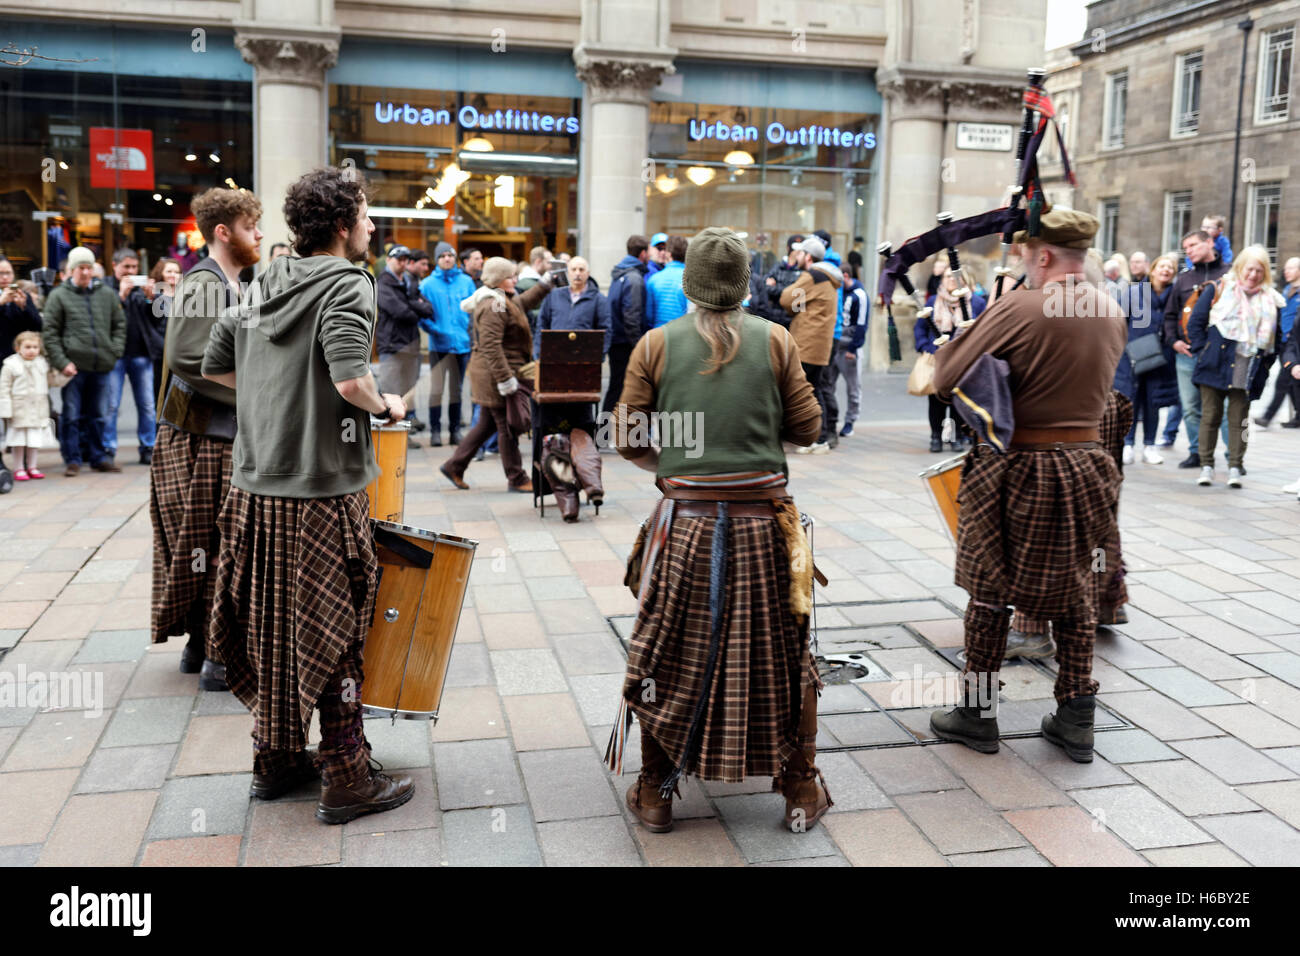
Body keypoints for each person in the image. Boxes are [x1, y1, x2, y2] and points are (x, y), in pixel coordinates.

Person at [203, 166, 414, 824]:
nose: (374, 226)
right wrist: (388, 406)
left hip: (256, 484)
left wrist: (276, 403)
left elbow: (214, 364)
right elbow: (352, 380)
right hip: (322, 488)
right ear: (344, 226)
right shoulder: (349, 283)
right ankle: (346, 775)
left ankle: (275, 761)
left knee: (272, 623)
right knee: (338, 631)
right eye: (367, 215)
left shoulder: (265, 277)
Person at [610, 226, 829, 834]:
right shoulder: (777, 339)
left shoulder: (656, 343)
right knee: (788, 655)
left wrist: (676, 469)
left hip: (685, 526)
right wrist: (752, 443)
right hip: (764, 527)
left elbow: (626, 439)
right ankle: (801, 789)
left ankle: (656, 792)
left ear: (689, 285)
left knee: (664, 651)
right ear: (746, 285)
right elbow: (809, 430)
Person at [929, 208, 1127, 764]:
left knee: (991, 588)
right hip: (1089, 466)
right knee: (1077, 589)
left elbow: (945, 380)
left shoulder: (1019, 305)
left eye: (1023, 255)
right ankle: (1076, 716)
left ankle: (976, 713)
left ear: (1042, 255)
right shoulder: (1111, 310)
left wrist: (978, 336)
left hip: (1019, 465)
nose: (1021, 264)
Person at [152, 186, 263, 691]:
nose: (259, 234)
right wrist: (259, 396)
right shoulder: (205, 281)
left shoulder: (231, 281)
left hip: (212, 435)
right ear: (224, 232)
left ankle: (202, 648)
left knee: (211, 546)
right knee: (221, 549)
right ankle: (219, 659)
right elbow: (190, 360)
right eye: (249, 227)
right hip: (202, 438)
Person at [1005, 387, 1135, 657]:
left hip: (1056, 402)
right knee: (1099, 517)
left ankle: (1030, 628)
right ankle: (1104, 602)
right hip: (1101, 394)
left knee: (1041, 522)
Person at [439, 257, 551, 492]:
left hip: (494, 373)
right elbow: (491, 345)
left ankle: (454, 466)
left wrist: (544, 286)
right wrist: (506, 380)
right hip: (496, 376)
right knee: (506, 426)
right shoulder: (494, 304)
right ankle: (517, 477)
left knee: (487, 424)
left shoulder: (501, 299)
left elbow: (520, 303)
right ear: (500, 281)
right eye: (511, 276)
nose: (516, 279)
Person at [1188, 245, 1281, 489]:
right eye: (1250, 269)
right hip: (1215, 362)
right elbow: (1196, 323)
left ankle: (1235, 466)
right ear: (1240, 267)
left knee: (1239, 421)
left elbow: (1277, 340)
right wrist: (1202, 352)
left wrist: (1265, 365)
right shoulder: (1220, 289)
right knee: (1210, 416)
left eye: (1259, 271)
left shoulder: (1271, 299)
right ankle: (1206, 465)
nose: (1253, 275)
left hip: (1246, 366)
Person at [532, 256, 610, 521]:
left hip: (582, 375)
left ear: (588, 273)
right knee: (554, 431)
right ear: (567, 272)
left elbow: (606, 331)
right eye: (573, 269)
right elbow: (540, 327)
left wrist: (597, 359)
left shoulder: (598, 299)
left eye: (582, 269)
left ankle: (588, 482)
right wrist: (539, 358)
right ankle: (566, 492)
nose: (577, 273)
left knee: (581, 427)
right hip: (553, 375)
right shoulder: (554, 297)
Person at [42, 246, 125, 475]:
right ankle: (73, 459)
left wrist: (114, 351)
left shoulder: (106, 294)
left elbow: (119, 324)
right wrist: (62, 362)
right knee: (72, 415)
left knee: (100, 414)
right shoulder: (59, 296)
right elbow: (50, 332)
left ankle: (99, 457)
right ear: (70, 270)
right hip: (73, 368)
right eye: (81, 268)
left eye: (89, 268)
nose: (86, 273)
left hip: (102, 365)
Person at [1165, 229, 1229, 469]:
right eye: (1186, 247)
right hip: (1187, 353)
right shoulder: (1183, 279)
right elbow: (1170, 315)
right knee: (1191, 407)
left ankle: (1233, 455)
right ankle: (1197, 453)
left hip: (1220, 354)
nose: (1188, 251)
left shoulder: (1229, 274)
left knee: (1223, 408)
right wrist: (1174, 341)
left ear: (1210, 242)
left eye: (1192, 245)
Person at [781, 236, 843, 454]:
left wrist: (795, 306)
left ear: (808, 256)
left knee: (806, 391)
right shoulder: (827, 277)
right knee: (815, 390)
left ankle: (818, 437)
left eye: (799, 253)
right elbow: (798, 303)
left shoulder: (813, 275)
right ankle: (819, 437)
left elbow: (787, 299)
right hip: (818, 344)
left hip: (808, 344)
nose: (796, 257)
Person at [1115, 253, 1179, 465]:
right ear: (1152, 270)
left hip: (1161, 357)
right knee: (1131, 400)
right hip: (1132, 355)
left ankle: (1150, 445)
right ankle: (1127, 444)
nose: (1166, 270)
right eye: (1162, 266)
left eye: (1170, 267)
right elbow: (1117, 321)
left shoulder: (1175, 295)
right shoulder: (1134, 292)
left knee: (1153, 401)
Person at [916, 264, 986, 452]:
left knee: (958, 400)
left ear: (963, 279)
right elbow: (920, 329)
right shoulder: (933, 301)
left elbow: (983, 331)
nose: (950, 280)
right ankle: (936, 436)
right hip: (937, 357)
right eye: (946, 277)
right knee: (936, 400)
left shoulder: (976, 303)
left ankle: (956, 437)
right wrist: (926, 347)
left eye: (954, 276)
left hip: (962, 360)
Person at [106, 248, 161, 465]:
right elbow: (105, 318)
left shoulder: (142, 289)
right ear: (114, 266)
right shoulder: (106, 288)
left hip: (141, 353)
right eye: (126, 267)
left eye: (134, 267)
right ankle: (108, 449)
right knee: (111, 404)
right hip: (116, 355)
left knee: (147, 404)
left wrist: (150, 298)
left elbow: (155, 321)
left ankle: (148, 447)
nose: (130, 272)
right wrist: (120, 296)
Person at [375, 244, 432, 447]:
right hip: (391, 346)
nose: (402, 263)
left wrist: (412, 305)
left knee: (406, 394)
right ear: (389, 259)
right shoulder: (384, 282)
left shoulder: (409, 282)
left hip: (410, 346)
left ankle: (402, 437)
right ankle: (387, 437)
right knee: (390, 393)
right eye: (398, 259)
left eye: (405, 259)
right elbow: (400, 312)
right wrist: (414, 306)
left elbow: (428, 309)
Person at [419, 241, 475, 445]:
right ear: (437, 260)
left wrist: (469, 333)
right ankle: (435, 430)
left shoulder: (466, 282)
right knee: (436, 390)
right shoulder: (426, 285)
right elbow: (421, 313)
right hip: (438, 344)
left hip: (462, 344)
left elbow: (474, 310)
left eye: (450, 255)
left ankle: (454, 431)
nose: (447, 259)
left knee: (456, 390)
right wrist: (434, 330)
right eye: (442, 256)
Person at [0, 330, 61, 480]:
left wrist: (65, 375)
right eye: (27, 347)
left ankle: (32, 466)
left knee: (34, 440)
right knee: (18, 441)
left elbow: (52, 382)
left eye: (35, 347)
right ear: (18, 348)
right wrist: (6, 409)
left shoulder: (42, 364)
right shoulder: (10, 365)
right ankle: (19, 468)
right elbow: (4, 388)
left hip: (38, 410)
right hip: (19, 409)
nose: (31, 350)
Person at [604, 235, 651, 422]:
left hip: (617, 341)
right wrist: (638, 346)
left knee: (616, 388)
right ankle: (604, 435)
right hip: (625, 344)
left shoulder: (621, 274)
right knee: (621, 389)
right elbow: (632, 316)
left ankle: (604, 434)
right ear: (643, 253)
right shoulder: (634, 278)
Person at [1255, 256, 1300, 428]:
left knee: (1283, 380)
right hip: (1283, 342)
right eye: (1286, 268)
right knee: (1291, 381)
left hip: (1294, 343)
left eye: (1290, 268)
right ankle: (1298, 416)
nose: (1286, 271)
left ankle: (1267, 417)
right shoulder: (1287, 290)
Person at [832, 264, 868, 438]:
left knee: (853, 388)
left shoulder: (859, 295)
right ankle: (829, 421)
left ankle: (850, 421)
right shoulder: (837, 291)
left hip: (849, 347)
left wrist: (854, 348)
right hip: (835, 345)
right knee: (827, 385)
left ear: (845, 276)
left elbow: (861, 324)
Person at [145, 257, 182, 393]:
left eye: (176, 272)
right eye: (169, 271)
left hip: (180, 351)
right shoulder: (153, 294)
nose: (173, 275)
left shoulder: (185, 295)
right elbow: (149, 320)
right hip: (160, 350)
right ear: (161, 273)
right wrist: (148, 299)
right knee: (160, 389)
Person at [748, 234, 804, 325]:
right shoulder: (778, 267)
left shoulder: (803, 271)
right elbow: (764, 286)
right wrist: (789, 289)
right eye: (795, 248)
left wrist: (776, 287)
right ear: (788, 248)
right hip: (774, 319)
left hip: (793, 320)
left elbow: (799, 294)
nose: (798, 252)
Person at [0, 256, 43, 362]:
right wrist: (1, 303)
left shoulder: (22, 295)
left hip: (18, 358)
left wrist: (24, 307)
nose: (5, 277)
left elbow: (38, 326)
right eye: (1, 273)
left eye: (8, 273)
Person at [645, 235, 688, 328]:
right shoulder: (691, 279)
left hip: (659, 334)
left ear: (669, 253)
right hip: (682, 333)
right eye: (659, 248)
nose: (662, 252)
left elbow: (649, 316)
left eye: (664, 249)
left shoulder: (653, 279)